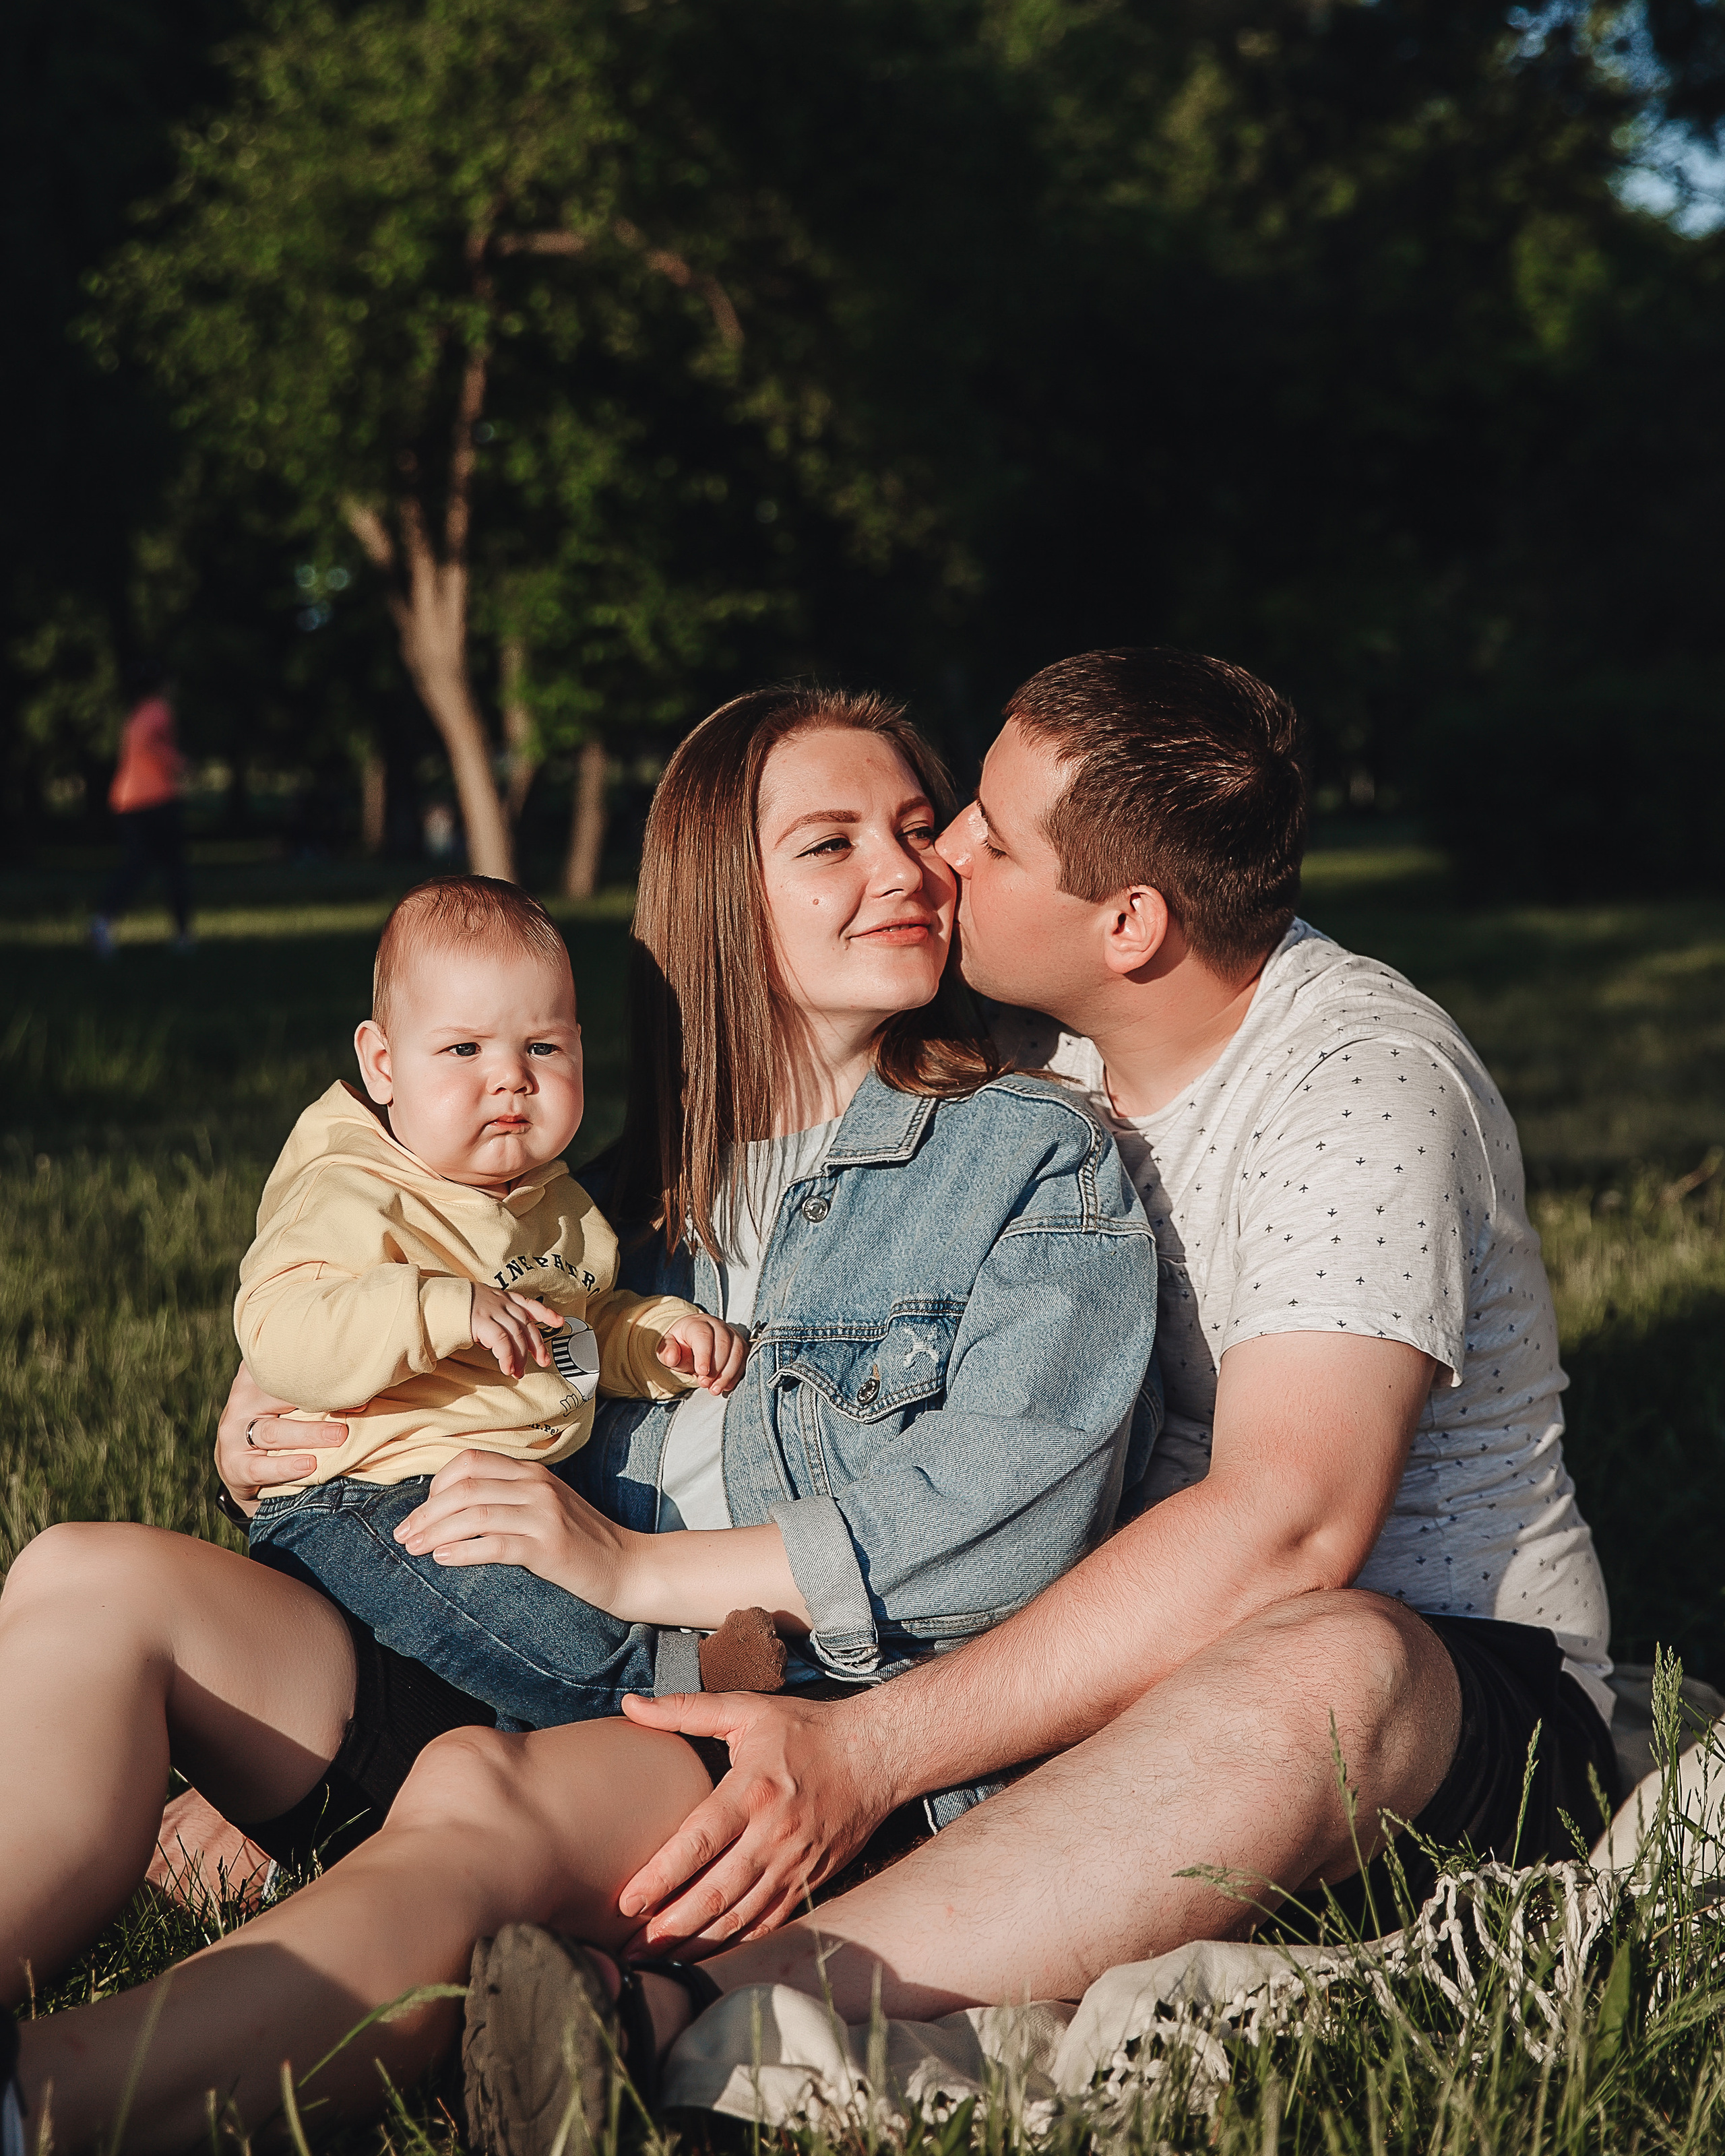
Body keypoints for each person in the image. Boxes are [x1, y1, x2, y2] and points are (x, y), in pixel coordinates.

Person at [358, 641, 1620, 2144]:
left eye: (982, 834)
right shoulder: (1032, 1055)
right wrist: (345, 1365)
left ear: (1129, 923)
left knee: (1330, 1658)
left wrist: (867, 1748)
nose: (939, 853)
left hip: (1448, 1697)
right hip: (1091, 1654)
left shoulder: (1354, 1085)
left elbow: (1286, 1531)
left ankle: (686, 2006)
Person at [0, 685, 1158, 2151]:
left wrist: (624, 1567)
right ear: (716, 902)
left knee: (481, 1796)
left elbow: (1002, 1531)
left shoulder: (1024, 1158)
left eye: (919, 829)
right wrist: (272, 1420)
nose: (905, 869)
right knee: (86, 1576)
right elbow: (374, 1330)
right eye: (831, 841)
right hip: (486, 1649)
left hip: (753, 1715)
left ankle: (39, 2106)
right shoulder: (594, 1199)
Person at [239, 873, 758, 1730]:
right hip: (367, 1495)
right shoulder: (352, 1190)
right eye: (463, 1050)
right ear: (382, 1063)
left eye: (543, 1049)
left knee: (526, 1603)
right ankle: (672, 1692)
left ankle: (575, 1725)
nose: (510, 1079)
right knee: (511, 1612)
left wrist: (660, 1336)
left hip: (491, 1485)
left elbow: (583, 1325)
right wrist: (442, 1306)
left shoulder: (555, 1208)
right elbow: (280, 1333)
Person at [92, 660, 193, 955]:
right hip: (156, 799)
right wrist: (179, 763)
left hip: (126, 800)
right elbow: (153, 743)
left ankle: (102, 922)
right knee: (174, 868)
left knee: (136, 865)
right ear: (163, 684)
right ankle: (184, 936)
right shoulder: (159, 710)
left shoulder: (135, 714)